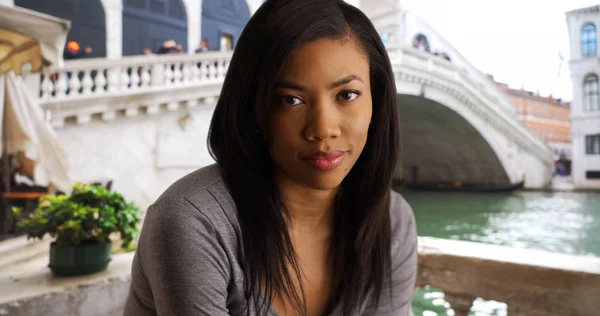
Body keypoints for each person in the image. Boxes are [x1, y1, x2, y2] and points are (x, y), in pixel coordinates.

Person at [123, 0, 417, 315]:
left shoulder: (391, 221)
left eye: (347, 95)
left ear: (377, 100)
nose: (322, 129)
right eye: (291, 100)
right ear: (253, 106)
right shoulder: (197, 223)